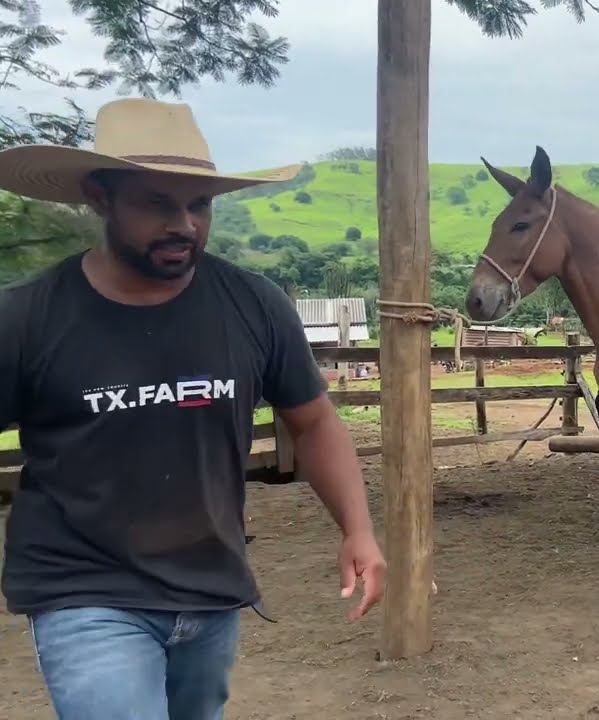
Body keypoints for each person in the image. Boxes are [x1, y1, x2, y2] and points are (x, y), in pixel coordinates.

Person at [0, 98, 387, 719]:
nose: (183, 223)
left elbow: (312, 421)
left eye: (199, 204)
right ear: (101, 196)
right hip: (84, 591)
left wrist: (358, 529)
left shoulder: (253, 304)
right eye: (157, 203)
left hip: (210, 589)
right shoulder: (27, 318)